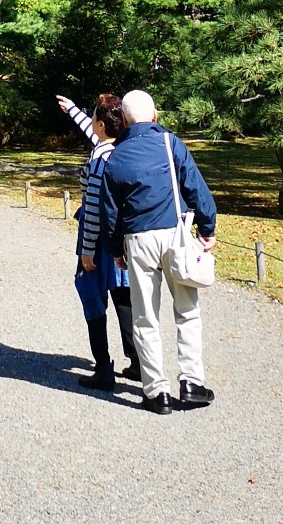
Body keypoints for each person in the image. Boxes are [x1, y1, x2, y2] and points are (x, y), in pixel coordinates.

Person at [98, 89, 217, 416]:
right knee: (187, 311)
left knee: (145, 317)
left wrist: (115, 249)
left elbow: (110, 213)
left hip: (138, 240)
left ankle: (156, 392)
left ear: (123, 119)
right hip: (174, 234)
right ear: (155, 116)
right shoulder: (170, 143)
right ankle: (191, 383)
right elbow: (195, 188)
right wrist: (207, 229)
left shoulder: (115, 157)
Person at [57, 93, 137, 389]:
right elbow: (97, 133)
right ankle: (138, 360)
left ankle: (103, 367)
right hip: (121, 238)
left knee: (93, 297)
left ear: (102, 124)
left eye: (93, 118)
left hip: (98, 239)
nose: (90, 122)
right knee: (124, 295)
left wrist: (87, 251)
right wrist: (74, 111)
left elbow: (92, 208)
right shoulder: (122, 148)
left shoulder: (99, 159)